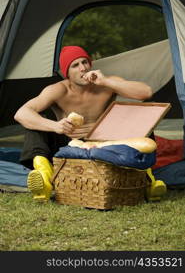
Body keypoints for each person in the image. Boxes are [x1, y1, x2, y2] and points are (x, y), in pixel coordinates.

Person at [14, 45, 165, 202]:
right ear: (66, 73)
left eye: (85, 62)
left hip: (104, 143)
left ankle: (148, 181)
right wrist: (56, 126)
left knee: (141, 121)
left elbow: (146, 92)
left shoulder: (105, 84)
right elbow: (22, 113)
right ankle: (44, 180)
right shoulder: (58, 90)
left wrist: (105, 81)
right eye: (75, 65)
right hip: (70, 143)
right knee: (34, 124)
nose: (82, 68)